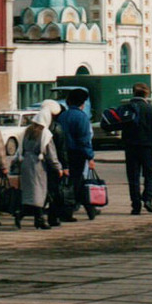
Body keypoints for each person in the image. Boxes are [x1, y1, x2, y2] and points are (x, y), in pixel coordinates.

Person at [122, 82, 152, 215]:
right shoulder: (150, 109)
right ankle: (148, 199)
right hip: (146, 147)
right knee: (149, 174)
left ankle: (135, 204)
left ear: (133, 93)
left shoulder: (126, 108)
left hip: (130, 147)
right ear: (146, 94)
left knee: (133, 176)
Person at [16, 107, 62, 230]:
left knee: (30, 193)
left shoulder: (27, 131)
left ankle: (35, 218)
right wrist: (58, 168)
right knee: (39, 193)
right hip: (38, 165)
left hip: (26, 163)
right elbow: (51, 154)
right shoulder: (45, 134)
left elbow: (20, 149)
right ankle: (34, 217)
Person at [56, 88, 97, 220]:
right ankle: (79, 210)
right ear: (82, 103)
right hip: (77, 154)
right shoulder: (81, 117)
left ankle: (89, 209)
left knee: (70, 182)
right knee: (76, 183)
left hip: (63, 154)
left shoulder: (62, 116)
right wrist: (90, 156)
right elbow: (84, 140)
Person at [41, 99, 69, 226]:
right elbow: (62, 149)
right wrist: (64, 166)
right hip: (54, 163)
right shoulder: (57, 128)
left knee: (43, 190)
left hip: (40, 164)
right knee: (55, 190)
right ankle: (54, 217)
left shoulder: (37, 127)